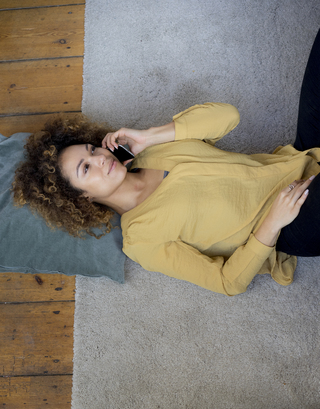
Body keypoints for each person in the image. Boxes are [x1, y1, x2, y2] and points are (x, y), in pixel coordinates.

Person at [13, 30, 320, 296]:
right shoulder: (141, 240)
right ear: (83, 198)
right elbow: (228, 282)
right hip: (294, 220)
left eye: (92, 150)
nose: (100, 158)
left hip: (299, 156)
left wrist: (150, 136)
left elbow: (228, 116)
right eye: (86, 168)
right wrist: (273, 221)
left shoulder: (150, 152)